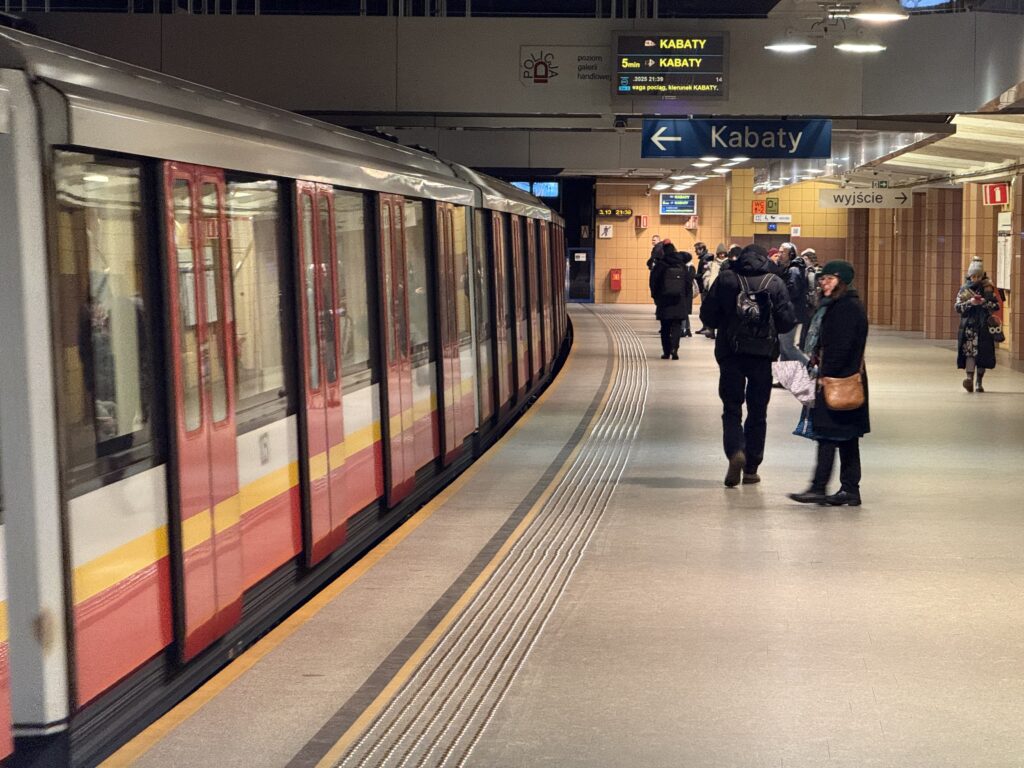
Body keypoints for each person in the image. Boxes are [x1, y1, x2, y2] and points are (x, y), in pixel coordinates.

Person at [699, 243, 796, 487]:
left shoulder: (726, 279)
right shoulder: (775, 282)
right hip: (762, 355)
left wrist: (727, 319)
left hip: (730, 353)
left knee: (731, 408)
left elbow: (707, 317)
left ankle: (735, 452)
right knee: (757, 411)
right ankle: (751, 468)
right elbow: (786, 323)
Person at [789, 260, 869, 507]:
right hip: (844, 379)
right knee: (846, 437)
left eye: (829, 279)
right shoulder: (836, 305)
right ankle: (849, 489)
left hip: (838, 380)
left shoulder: (846, 308)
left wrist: (825, 373)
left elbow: (841, 347)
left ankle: (819, 487)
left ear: (842, 282)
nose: (823, 283)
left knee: (828, 435)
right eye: (822, 279)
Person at [955, 258, 999, 393]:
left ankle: (979, 382)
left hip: (984, 326)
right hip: (969, 327)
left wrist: (985, 302)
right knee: (969, 353)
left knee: (982, 354)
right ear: (969, 275)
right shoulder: (964, 289)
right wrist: (970, 303)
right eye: (973, 276)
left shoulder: (988, 288)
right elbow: (957, 307)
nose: (976, 278)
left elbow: (996, 306)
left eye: (978, 276)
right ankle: (969, 379)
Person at [650, 243, 691, 359]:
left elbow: (653, 282)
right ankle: (674, 349)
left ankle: (666, 351)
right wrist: (684, 296)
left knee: (665, 327)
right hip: (679, 300)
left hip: (664, 301)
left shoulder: (661, 264)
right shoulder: (681, 264)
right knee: (677, 326)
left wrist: (656, 297)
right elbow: (688, 283)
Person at [780, 245, 810, 365]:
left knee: (788, 347)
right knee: (783, 347)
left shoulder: (793, 270)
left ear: (791, 255)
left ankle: (811, 367)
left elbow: (792, 292)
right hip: (789, 313)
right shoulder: (792, 269)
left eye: (783, 252)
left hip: (791, 314)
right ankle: (785, 378)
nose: (780, 254)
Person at [700, 245, 731, 340]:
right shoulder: (712, 264)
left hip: (724, 290)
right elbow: (706, 275)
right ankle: (711, 330)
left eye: (723, 253)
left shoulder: (729, 263)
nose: (722, 255)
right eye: (720, 253)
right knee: (713, 310)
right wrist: (707, 283)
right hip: (713, 289)